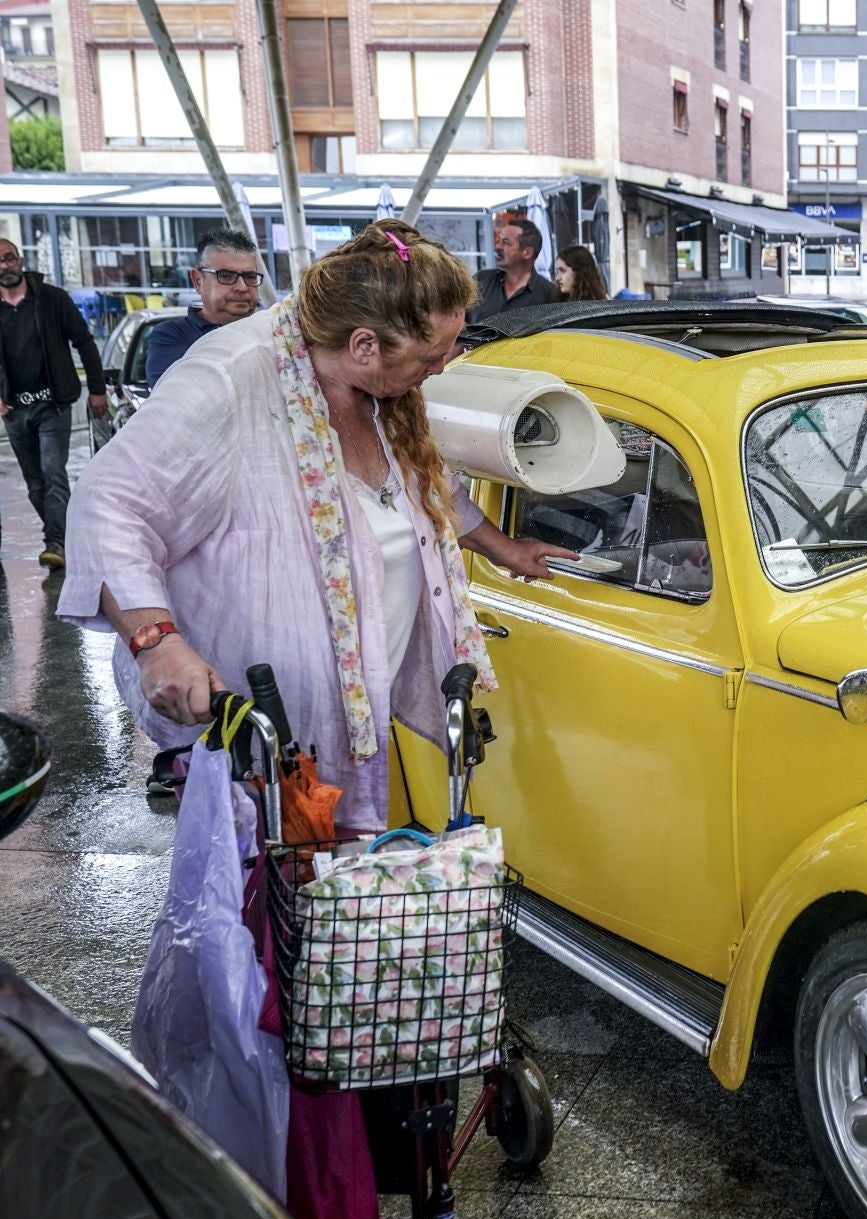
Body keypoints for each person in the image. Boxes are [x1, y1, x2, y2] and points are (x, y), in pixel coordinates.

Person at [60, 220, 573, 838]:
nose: (440, 369)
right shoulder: (232, 377)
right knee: (270, 911)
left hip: (351, 712)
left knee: (340, 904)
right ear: (363, 345)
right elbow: (110, 502)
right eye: (431, 356)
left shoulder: (377, 387)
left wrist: (502, 547)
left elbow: (419, 485)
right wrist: (156, 642)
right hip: (261, 737)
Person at [0, 238, 107, 570]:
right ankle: (69, 535)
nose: (5, 266)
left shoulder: (51, 299)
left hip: (54, 403)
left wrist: (98, 389)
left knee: (53, 472)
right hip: (14, 409)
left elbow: (85, 342)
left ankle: (56, 543)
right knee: (34, 483)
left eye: (9, 258)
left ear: (20, 260)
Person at [146, 227, 264, 383]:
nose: (242, 287)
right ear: (198, 281)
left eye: (250, 276)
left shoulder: (272, 329)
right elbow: (185, 395)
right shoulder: (172, 336)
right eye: (226, 276)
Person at [468, 217, 555, 321]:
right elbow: (458, 319)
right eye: (498, 240)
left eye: (505, 242)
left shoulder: (549, 294)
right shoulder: (481, 280)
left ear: (527, 252)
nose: (498, 247)